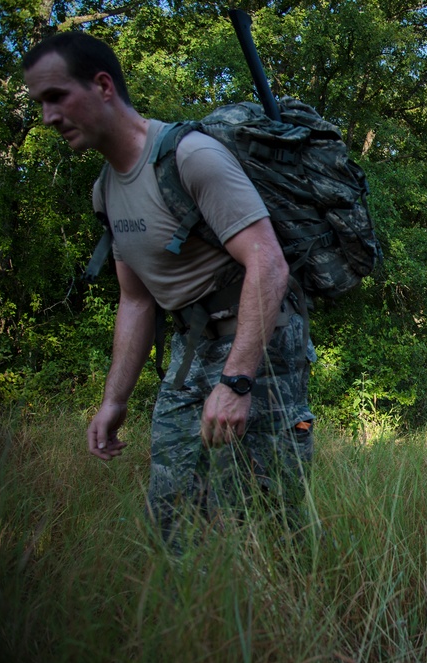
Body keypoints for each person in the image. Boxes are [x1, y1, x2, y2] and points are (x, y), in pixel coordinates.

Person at [24, 32, 315, 550]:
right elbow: (136, 300)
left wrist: (239, 382)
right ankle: (199, 613)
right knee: (174, 502)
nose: (48, 117)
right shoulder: (106, 191)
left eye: (55, 97)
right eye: (40, 103)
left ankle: (291, 616)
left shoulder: (191, 157)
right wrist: (114, 400)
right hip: (190, 346)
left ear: (103, 85)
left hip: (262, 344)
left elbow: (269, 265)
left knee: (270, 509)